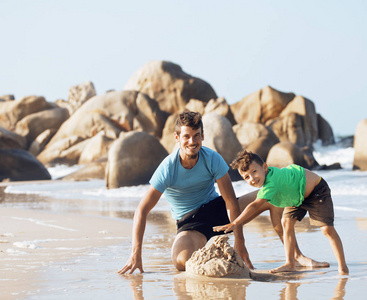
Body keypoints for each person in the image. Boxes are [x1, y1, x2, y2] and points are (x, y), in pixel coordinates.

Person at [118, 111, 254, 274]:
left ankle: (292, 257)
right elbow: (142, 210)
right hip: (191, 223)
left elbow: (231, 202)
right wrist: (136, 254)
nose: (192, 141)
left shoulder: (212, 158)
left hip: (218, 210)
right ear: (177, 138)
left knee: (268, 195)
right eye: (186, 136)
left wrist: (240, 242)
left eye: (196, 135)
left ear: (203, 136)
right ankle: (214, 251)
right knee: (182, 262)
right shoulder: (168, 168)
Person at [214, 150, 349, 275]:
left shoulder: (271, 183)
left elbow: (255, 205)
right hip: (296, 196)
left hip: (316, 190)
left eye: (254, 172)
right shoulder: (267, 181)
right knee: (286, 223)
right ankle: (290, 263)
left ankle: (343, 266)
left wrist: (235, 222)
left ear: (265, 167)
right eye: (246, 177)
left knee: (327, 230)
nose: (252, 179)